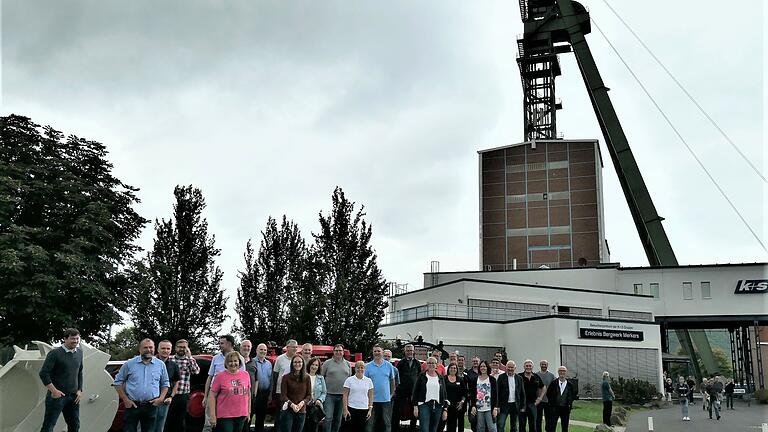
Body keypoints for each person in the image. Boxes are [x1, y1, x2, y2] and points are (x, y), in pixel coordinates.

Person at [114, 338, 170, 432]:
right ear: (140, 349)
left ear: (154, 348)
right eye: (145, 347)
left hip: (151, 406)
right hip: (133, 405)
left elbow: (165, 383)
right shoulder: (129, 364)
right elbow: (117, 382)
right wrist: (125, 400)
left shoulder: (160, 365)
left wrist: (161, 398)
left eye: (151, 347)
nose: (149, 350)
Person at [39, 328, 84, 432]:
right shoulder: (55, 353)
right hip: (57, 397)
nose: (76, 341)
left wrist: (79, 390)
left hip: (74, 397)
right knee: (48, 426)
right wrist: (54, 391)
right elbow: (43, 373)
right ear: (65, 339)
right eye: (72, 339)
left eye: (77, 338)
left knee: (75, 425)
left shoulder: (79, 353)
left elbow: (80, 372)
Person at [204, 335, 245, 432]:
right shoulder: (215, 358)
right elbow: (210, 377)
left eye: (222, 343)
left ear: (229, 344)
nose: (220, 345)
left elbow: (242, 379)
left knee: (226, 424)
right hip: (214, 394)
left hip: (229, 396)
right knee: (209, 423)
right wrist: (205, 396)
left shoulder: (240, 359)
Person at [208, 351, 251, 432]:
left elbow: (248, 394)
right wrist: (212, 415)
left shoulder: (246, 374)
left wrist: (248, 412)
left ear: (239, 362)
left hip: (242, 414)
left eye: (235, 361)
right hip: (225, 416)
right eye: (230, 361)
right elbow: (212, 395)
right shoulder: (220, 376)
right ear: (226, 363)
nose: (233, 363)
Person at [168, 339, 200, 432]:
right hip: (169, 394)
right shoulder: (170, 359)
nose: (182, 349)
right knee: (168, 419)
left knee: (181, 420)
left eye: (184, 347)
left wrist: (190, 357)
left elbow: (196, 371)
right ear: (175, 348)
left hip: (183, 394)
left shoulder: (189, 360)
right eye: (180, 347)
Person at [411, 357, 448, 432]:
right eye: (429, 363)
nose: (431, 365)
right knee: (424, 429)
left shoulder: (440, 377)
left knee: (433, 429)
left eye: (433, 363)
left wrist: (445, 409)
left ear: (436, 365)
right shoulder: (422, 376)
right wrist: (415, 407)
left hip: (438, 406)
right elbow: (415, 392)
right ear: (427, 364)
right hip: (424, 405)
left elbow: (444, 393)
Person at [365, 345, 396, 432]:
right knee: (370, 424)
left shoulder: (389, 366)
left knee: (387, 423)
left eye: (378, 351)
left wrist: (391, 394)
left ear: (382, 352)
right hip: (371, 400)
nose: (377, 353)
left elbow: (392, 381)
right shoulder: (368, 366)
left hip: (386, 400)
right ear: (373, 353)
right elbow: (365, 383)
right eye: (375, 351)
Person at [321, 344, 351, 432]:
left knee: (338, 419)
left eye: (340, 350)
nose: (338, 352)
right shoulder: (327, 363)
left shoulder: (347, 364)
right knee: (328, 418)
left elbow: (349, 380)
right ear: (333, 352)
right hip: (329, 395)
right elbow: (321, 377)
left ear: (343, 352)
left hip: (343, 396)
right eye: (336, 350)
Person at [280, 355, 312, 432]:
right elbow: (283, 396)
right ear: (292, 364)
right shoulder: (286, 377)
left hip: (301, 410)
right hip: (288, 410)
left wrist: (302, 403)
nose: (297, 364)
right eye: (295, 362)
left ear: (303, 363)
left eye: (299, 362)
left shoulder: (307, 378)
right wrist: (292, 405)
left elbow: (309, 395)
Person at [154, 340, 181, 432]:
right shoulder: (150, 363)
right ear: (158, 349)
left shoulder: (174, 365)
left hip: (165, 401)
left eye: (168, 348)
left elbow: (176, 382)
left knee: (160, 426)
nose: (165, 350)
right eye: (163, 348)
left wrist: (171, 397)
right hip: (149, 400)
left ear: (170, 350)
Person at [393, 344, 420, 432]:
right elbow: (397, 376)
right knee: (398, 410)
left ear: (413, 351)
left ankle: (412, 428)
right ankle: (396, 428)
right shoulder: (401, 363)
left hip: (413, 391)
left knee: (414, 411)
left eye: (411, 350)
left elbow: (419, 375)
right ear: (405, 352)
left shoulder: (417, 363)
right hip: (402, 391)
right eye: (408, 350)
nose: (409, 352)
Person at [274, 340, 300, 426]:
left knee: (291, 416)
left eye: (296, 347)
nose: (295, 349)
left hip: (294, 392)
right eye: (293, 347)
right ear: (287, 348)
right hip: (281, 392)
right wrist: (274, 391)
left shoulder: (298, 359)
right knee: (280, 415)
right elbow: (275, 375)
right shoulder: (279, 359)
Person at [343, 361, 374, 430]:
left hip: (364, 409)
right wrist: (345, 409)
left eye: (362, 368)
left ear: (364, 369)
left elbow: (370, 396)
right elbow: (345, 395)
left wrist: (370, 409)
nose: (360, 369)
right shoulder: (349, 380)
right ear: (355, 369)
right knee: (350, 428)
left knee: (361, 428)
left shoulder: (369, 381)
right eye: (358, 368)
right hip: (351, 408)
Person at [544, 366, 576, 432]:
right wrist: (552, 403)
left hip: (565, 408)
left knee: (565, 426)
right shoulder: (553, 383)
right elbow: (548, 394)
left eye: (563, 371)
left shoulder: (570, 384)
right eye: (560, 371)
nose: (562, 372)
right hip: (554, 408)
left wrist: (569, 403)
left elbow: (573, 395)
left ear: (566, 372)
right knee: (552, 426)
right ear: (558, 372)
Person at [468, 360, 498, 432]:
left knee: (492, 428)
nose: (482, 368)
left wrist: (495, 408)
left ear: (487, 368)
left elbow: (495, 394)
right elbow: (472, 394)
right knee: (480, 428)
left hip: (489, 408)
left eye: (484, 366)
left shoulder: (492, 379)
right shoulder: (475, 379)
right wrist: (473, 406)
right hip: (479, 408)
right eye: (481, 366)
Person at [497, 360, 525, 432]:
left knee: (514, 426)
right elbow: (497, 392)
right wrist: (497, 406)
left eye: (512, 367)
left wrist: (522, 406)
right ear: (506, 367)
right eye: (508, 367)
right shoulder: (501, 377)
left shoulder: (519, 378)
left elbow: (522, 393)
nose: (510, 369)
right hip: (504, 405)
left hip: (515, 405)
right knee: (501, 424)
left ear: (515, 368)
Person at [252, 343, 273, 432]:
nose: (263, 351)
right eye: (261, 349)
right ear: (256, 350)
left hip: (265, 394)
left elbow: (271, 379)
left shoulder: (269, 363)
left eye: (265, 350)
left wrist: (270, 394)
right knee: (250, 415)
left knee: (261, 417)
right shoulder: (251, 362)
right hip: (254, 393)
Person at [518, 360, 544, 432]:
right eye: (527, 366)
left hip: (533, 404)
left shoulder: (536, 377)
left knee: (533, 424)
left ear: (532, 367)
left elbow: (543, 387)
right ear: (524, 367)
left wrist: (540, 398)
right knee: (522, 424)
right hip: (522, 404)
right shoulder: (519, 376)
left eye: (530, 366)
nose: (528, 367)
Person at [240, 340, 258, 432]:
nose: (246, 348)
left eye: (248, 346)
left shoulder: (253, 362)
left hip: (250, 396)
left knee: (249, 418)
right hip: (238, 395)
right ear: (240, 347)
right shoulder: (236, 360)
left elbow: (256, 379)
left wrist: (254, 393)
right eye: (244, 346)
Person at [304, 357, 327, 432]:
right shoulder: (304, 376)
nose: (314, 367)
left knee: (314, 427)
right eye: (312, 364)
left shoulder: (321, 378)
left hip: (315, 407)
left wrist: (320, 400)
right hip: (303, 405)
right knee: (303, 427)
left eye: (316, 365)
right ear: (309, 365)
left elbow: (324, 392)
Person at [444, 363, 467, 432]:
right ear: (448, 369)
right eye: (451, 368)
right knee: (448, 424)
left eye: (454, 368)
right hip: (447, 405)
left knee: (457, 424)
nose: (453, 369)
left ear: (457, 370)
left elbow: (465, 392)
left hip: (457, 405)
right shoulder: (444, 378)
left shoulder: (460, 379)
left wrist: (462, 402)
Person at [535, 360, 555, 432]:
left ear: (547, 365)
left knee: (549, 419)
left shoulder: (552, 376)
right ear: (540, 365)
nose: (544, 366)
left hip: (548, 401)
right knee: (538, 419)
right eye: (542, 364)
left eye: (545, 364)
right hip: (538, 401)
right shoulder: (536, 375)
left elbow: (555, 387)